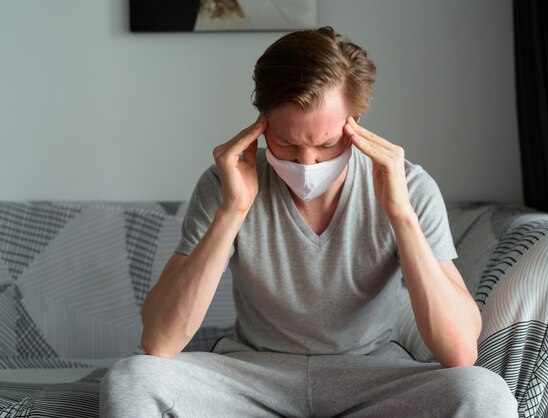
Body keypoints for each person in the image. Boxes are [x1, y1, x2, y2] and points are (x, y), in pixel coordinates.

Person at [100, 26, 517, 417]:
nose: (307, 162)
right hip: (251, 374)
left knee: (484, 392)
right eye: (285, 143)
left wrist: (400, 214)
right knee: (130, 379)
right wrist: (233, 211)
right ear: (261, 125)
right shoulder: (226, 181)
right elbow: (159, 341)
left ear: (355, 124)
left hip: (370, 375)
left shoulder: (408, 186)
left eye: (327, 144)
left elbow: (460, 351)